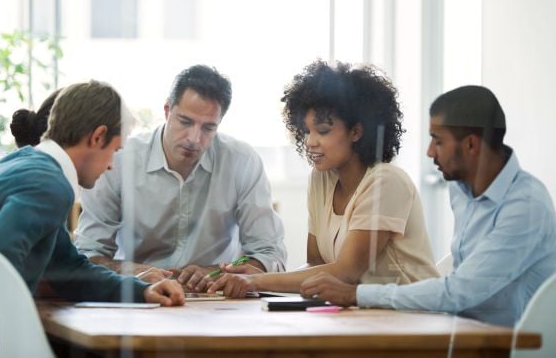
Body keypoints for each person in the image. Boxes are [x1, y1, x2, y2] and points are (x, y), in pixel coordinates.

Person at [0, 80, 185, 357]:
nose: (111, 165)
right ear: (97, 136)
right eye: (115, 150)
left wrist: (142, 291)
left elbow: (69, 271)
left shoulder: (19, 163)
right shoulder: (48, 183)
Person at [299, 85, 556, 327]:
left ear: (471, 145)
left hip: (511, 342)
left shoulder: (526, 205)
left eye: (438, 140)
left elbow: (459, 292)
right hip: (462, 329)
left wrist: (357, 294)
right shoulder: (462, 189)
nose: (430, 152)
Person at [208, 60, 438, 297]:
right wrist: (256, 277)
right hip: (360, 315)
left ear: (356, 132)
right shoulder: (321, 179)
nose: (309, 142)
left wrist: (258, 280)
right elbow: (316, 266)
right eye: (306, 131)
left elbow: (347, 271)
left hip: (412, 315)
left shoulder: (387, 182)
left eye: (323, 131)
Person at [74, 65, 287, 291]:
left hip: (215, 300)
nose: (194, 138)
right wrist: (133, 272)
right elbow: (89, 254)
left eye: (208, 128)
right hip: (138, 294)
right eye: (185, 122)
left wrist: (216, 272)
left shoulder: (241, 161)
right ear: (167, 110)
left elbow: (269, 253)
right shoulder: (119, 160)